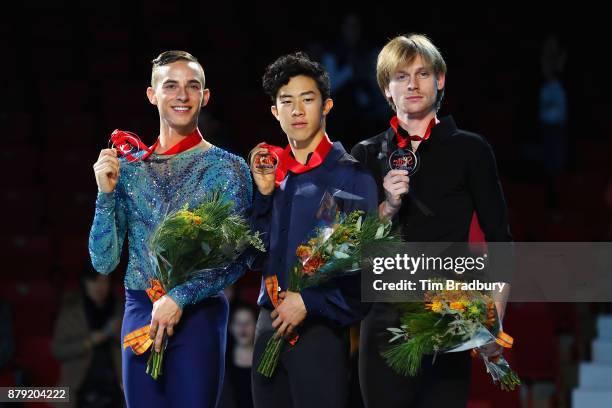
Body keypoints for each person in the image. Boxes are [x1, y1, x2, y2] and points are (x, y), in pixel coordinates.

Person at [351, 34, 512, 407]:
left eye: (423, 74)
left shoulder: (471, 149)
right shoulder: (366, 154)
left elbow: (500, 238)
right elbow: (350, 245)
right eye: (401, 76)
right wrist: (387, 206)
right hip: (384, 318)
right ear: (386, 89)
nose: (412, 84)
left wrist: (492, 316)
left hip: (450, 314)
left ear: (439, 81)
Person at [89, 50, 252, 408]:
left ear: (205, 97)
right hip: (139, 313)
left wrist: (179, 296)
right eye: (171, 86)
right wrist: (105, 194)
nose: (182, 95)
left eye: (192, 86)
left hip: (199, 314)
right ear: (152, 94)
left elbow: (238, 258)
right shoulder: (129, 170)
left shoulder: (229, 169)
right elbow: (103, 262)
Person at [249, 52, 377, 408]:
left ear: (326, 106)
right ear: (275, 112)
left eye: (307, 99)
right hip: (267, 325)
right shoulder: (271, 175)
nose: (297, 111)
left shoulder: (352, 177)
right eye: (286, 102)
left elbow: (366, 273)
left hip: (320, 331)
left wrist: (309, 301)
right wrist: (261, 198)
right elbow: (254, 257)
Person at [51, 265, 123, 408]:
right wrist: (88, 342)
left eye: (104, 281)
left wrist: (119, 334)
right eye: (94, 281)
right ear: (85, 283)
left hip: (116, 389)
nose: (99, 286)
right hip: (78, 391)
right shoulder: (71, 312)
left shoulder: (122, 309)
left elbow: (139, 347)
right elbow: (57, 350)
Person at [219, 302, 257, 408]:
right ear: (231, 327)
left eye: (248, 323)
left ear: (256, 325)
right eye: (238, 323)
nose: (243, 328)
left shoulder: (265, 359)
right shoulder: (222, 361)